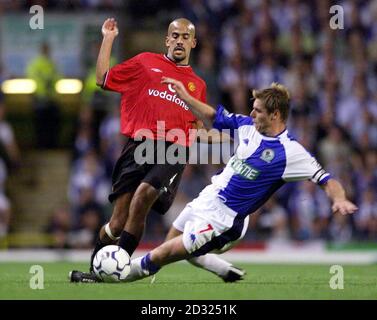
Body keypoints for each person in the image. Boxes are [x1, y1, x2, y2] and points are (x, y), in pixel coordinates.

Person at [120, 79, 357, 283]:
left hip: (225, 219)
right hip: (209, 197)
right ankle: (220, 267)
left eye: (258, 111)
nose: (251, 114)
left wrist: (340, 198)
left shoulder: (291, 152)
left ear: (275, 115)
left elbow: (327, 180)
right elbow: (213, 116)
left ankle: (116, 272)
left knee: (164, 254)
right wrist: (184, 95)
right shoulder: (246, 126)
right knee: (173, 239)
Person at [70, 17, 211, 282]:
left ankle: (119, 268)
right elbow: (102, 78)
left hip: (174, 149)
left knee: (143, 197)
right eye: (175, 35)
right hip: (139, 145)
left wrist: (227, 138)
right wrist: (108, 38)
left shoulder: (198, 86)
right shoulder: (145, 62)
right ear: (167, 40)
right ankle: (97, 271)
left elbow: (199, 127)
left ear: (193, 42)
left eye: (185, 37)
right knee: (117, 222)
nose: (179, 41)